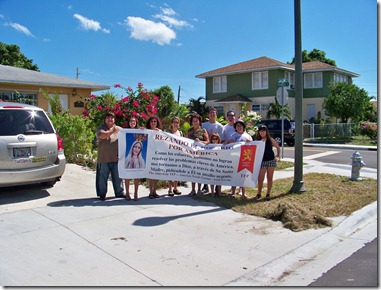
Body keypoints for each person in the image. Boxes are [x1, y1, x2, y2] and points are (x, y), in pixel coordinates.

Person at [95, 111, 125, 201]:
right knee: (102, 178)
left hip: (116, 158)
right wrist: (112, 131)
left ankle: (119, 193)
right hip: (104, 159)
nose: (110, 119)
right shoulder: (101, 128)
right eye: (108, 118)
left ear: (114, 119)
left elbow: (128, 136)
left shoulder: (119, 129)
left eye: (112, 118)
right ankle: (102, 194)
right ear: (105, 119)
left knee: (118, 178)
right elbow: (102, 136)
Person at [255, 124, 281, 201]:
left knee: (269, 177)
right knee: (260, 178)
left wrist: (278, 156)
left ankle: (268, 194)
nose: (262, 132)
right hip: (262, 161)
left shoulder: (270, 140)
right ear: (259, 132)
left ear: (266, 131)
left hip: (271, 160)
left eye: (264, 131)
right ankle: (259, 193)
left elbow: (278, 147)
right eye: (261, 131)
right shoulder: (257, 141)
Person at [229, 119, 253, 198]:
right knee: (234, 176)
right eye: (237, 126)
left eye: (240, 126)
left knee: (243, 176)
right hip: (235, 158)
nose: (239, 127)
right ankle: (232, 193)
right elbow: (231, 144)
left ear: (243, 127)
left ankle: (243, 193)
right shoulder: (233, 135)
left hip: (244, 159)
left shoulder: (247, 136)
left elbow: (252, 146)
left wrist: (249, 142)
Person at [201, 107, 224, 194]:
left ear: (216, 114)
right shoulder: (204, 125)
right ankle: (205, 186)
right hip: (206, 150)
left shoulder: (220, 126)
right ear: (208, 114)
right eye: (210, 113)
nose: (212, 114)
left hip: (217, 152)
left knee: (217, 169)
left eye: (214, 113)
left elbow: (222, 140)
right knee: (207, 168)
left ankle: (217, 188)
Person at [186, 113, 209, 196]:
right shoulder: (189, 131)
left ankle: (199, 190)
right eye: (193, 121)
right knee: (192, 173)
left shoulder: (203, 130)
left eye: (196, 121)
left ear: (199, 121)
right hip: (192, 155)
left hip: (201, 155)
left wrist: (200, 142)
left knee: (199, 173)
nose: (195, 122)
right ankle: (193, 190)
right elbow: (185, 142)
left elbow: (207, 142)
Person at [123, 116, 142, 201]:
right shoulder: (124, 131)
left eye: (134, 121)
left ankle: (136, 193)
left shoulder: (139, 131)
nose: (132, 122)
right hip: (128, 161)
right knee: (127, 177)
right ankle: (127, 193)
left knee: (137, 177)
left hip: (137, 164)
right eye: (131, 121)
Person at [146, 115, 162, 199]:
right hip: (149, 155)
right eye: (151, 121)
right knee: (150, 174)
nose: (153, 123)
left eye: (155, 121)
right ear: (149, 123)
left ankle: (155, 191)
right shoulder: (146, 132)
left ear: (157, 123)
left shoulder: (160, 132)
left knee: (156, 174)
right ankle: (151, 192)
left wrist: (160, 132)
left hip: (158, 156)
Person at [166, 116, 183, 196]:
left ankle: (175, 188)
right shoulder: (168, 132)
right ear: (171, 123)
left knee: (177, 172)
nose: (175, 124)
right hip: (169, 154)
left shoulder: (180, 133)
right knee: (170, 172)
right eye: (174, 122)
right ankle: (170, 188)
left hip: (178, 155)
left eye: (177, 122)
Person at [209, 132, 222, 197]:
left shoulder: (221, 147)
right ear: (211, 139)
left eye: (216, 139)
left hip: (219, 165)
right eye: (213, 139)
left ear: (218, 139)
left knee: (219, 180)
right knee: (212, 180)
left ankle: (219, 192)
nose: (215, 140)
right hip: (211, 165)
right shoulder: (209, 147)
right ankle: (212, 193)